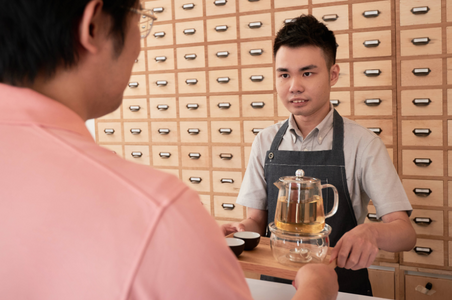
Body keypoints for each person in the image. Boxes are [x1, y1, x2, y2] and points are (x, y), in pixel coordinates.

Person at [0, 1, 339, 299]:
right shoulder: (158, 214)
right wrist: (317, 292)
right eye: (139, 17)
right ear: (92, 25)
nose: (139, 47)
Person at [222, 15, 417, 296]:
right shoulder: (265, 141)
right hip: (274, 286)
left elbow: (405, 233)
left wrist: (372, 232)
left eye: (308, 73)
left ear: (333, 74)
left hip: (343, 288)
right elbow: (256, 221)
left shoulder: (362, 143)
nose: (294, 86)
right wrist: (240, 229)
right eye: (284, 74)